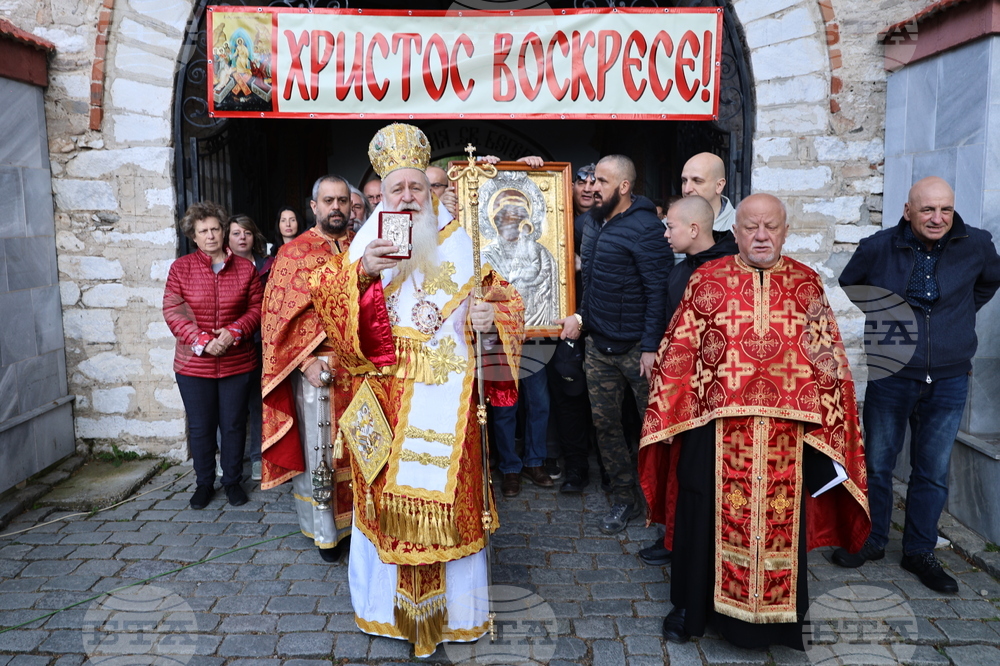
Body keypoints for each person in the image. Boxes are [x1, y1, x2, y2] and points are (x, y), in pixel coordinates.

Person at [308, 123, 524, 658]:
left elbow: (508, 302)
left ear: (430, 191)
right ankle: (388, 613)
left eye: (416, 187)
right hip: (385, 400)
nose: (407, 197)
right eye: (397, 188)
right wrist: (362, 274)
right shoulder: (366, 244)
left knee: (450, 502)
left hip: (451, 399)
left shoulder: (464, 240)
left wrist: (489, 318)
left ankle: (455, 616)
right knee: (384, 506)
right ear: (381, 194)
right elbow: (328, 307)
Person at [639, 193, 870, 650]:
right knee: (700, 511)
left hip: (787, 435)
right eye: (751, 227)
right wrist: (674, 406)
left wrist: (829, 420)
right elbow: (679, 352)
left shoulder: (806, 284)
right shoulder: (707, 279)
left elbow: (828, 361)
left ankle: (778, 622)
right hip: (714, 428)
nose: (761, 236)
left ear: (785, 231)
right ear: (735, 231)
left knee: (782, 518)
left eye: (771, 227)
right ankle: (689, 607)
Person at [834, 176, 1000, 592]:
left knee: (932, 472)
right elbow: (851, 282)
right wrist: (891, 320)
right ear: (907, 211)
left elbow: (989, 280)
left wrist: (957, 317)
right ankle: (872, 539)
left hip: (949, 379)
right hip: (891, 374)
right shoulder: (878, 246)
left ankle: (919, 551)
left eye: (946, 209)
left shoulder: (977, 245)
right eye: (928, 209)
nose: (938, 218)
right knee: (878, 464)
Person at [557, 154, 674, 534]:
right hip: (598, 347)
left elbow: (658, 293)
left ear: (624, 186)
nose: (592, 187)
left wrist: (651, 347)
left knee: (653, 431)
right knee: (605, 427)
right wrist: (581, 319)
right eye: (591, 180)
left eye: (602, 181)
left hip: (638, 350)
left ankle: (665, 507)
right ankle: (624, 498)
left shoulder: (647, 229)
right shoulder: (591, 223)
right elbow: (592, 284)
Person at [636, 195, 739, 567]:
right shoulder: (679, 271)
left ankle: (708, 544)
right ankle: (674, 538)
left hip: (718, 394)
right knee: (677, 467)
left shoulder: (730, 270)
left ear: (694, 229)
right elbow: (669, 327)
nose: (665, 234)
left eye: (670, 226)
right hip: (680, 390)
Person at [260, 175, 357, 563]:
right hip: (319, 369)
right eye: (328, 200)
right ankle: (326, 534)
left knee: (363, 448)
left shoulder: (362, 246)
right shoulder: (294, 254)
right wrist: (304, 362)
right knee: (321, 455)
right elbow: (276, 319)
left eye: (342, 201)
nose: (336, 207)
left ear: (351, 206)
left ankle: (362, 527)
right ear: (314, 206)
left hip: (362, 370)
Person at [163, 201, 262, 509]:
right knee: (201, 427)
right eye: (203, 231)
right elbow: (173, 311)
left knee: (233, 424)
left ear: (223, 231)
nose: (210, 236)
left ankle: (232, 481)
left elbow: (257, 308)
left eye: (215, 229)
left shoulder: (245, 268)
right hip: (194, 365)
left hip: (237, 361)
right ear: (193, 236)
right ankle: (204, 483)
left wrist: (234, 331)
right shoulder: (181, 268)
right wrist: (203, 340)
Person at [228, 214, 272, 481]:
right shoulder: (220, 265)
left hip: (260, 341)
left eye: (246, 232)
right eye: (236, 233)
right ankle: (227, 457)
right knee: (229, 405)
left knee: (258, 402)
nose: (242, 238)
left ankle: (258, 457)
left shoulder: (267, 265)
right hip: (230, 343)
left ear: (254, 236)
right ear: (228, 238)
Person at [482, 193, 559, 327]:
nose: (513, 221)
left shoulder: (540, 252)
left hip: (538, 324)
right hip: (497, 329)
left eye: (519, 217)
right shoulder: (485, 255)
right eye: (509, 216)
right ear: (497, 219)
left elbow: (550, 289)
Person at [680, 152, 735, 232]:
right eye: (684, 181)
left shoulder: (741, 226)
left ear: (719, 185)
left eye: (697, 181)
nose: (686, 190)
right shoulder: (667, 226)